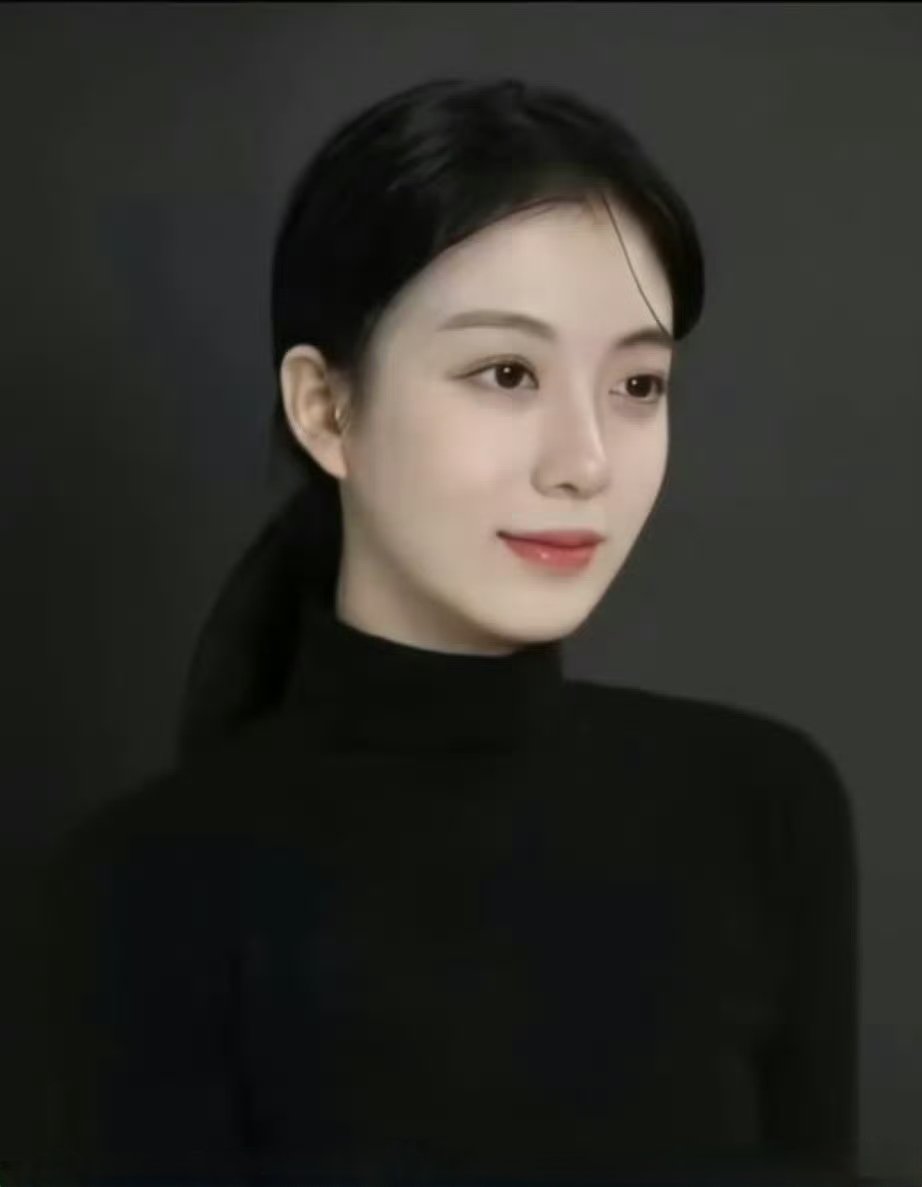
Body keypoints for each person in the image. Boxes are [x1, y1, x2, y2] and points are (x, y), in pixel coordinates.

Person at [34, 76, 859, 1187]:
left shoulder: (762, 805)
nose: (586, 461)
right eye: (506, 372)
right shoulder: (131, 894)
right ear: (326, 408)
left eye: (638, 382)